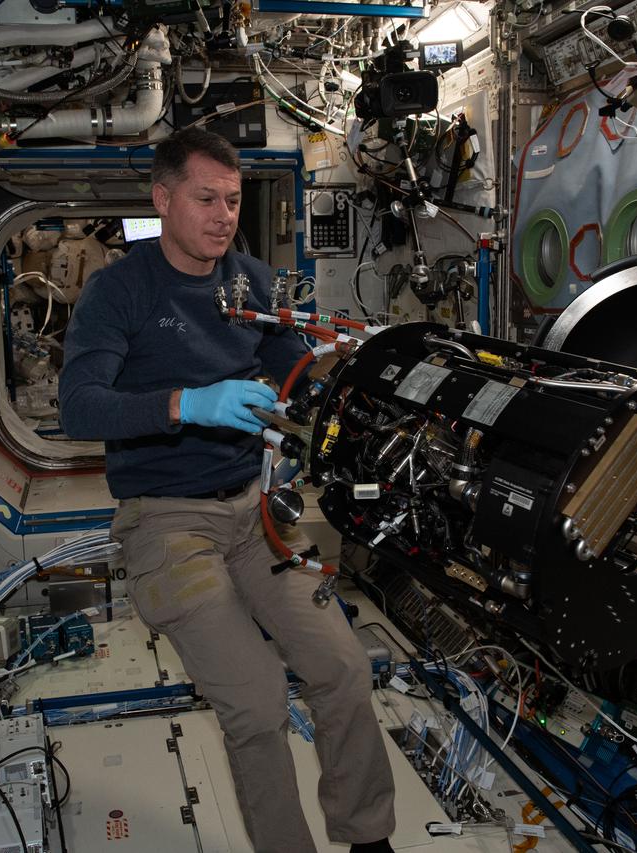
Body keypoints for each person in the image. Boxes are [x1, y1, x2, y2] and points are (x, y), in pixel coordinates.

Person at [59, 126, 397, 853]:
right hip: (168, 523)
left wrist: (339, 380)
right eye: (206, 199)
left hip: (254, 512)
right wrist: (187, 403)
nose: (223, 217)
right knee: (257, 699)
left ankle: (368, 836)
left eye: (234, 200)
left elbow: (294, 370)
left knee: (342, 667)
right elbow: (79, 407)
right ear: (163, 198)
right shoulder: (119, 291)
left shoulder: (249, 281)